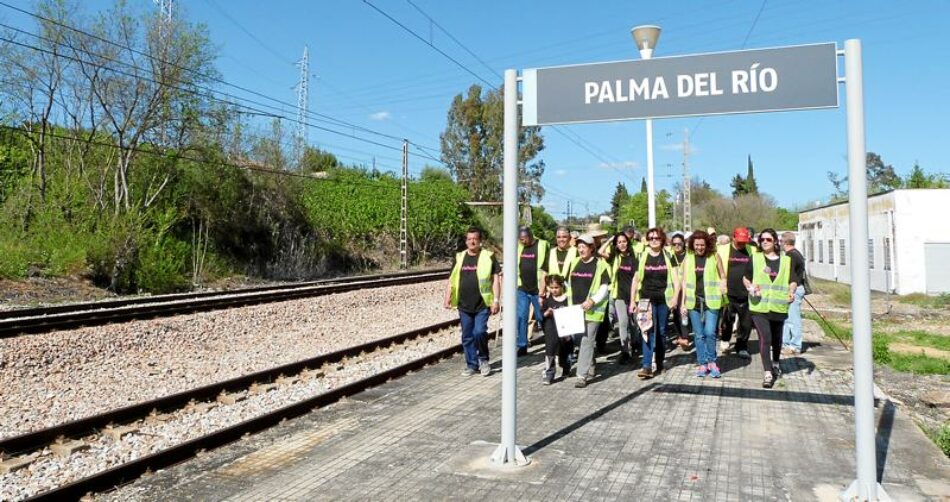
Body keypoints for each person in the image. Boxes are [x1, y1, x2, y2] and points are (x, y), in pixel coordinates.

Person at [746, 228, 800, 388]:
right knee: (766, 338)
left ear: (775, 241)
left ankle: (775, 363)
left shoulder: (786, 260)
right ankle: (767, 373)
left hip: (778, 306)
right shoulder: (754, 258)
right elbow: (746, 278)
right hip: (759, 305)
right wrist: (750, 287)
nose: (764, 242)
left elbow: (793, 280)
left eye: (768, 239)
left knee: (777, 340)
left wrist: (791, 291)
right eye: (762, 239)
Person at [444, 227, 501, 377]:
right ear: (466, 241)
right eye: (469, 239)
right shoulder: (459, 257)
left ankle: (483, 360)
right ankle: (471, 364)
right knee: (467, 335)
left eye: (475, 239)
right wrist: (447, 296)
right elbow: (452, 278)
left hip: (482, 303)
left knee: (479, 332)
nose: (472, 241)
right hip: (464, 303)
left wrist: (496, 300)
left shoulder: (488, 256)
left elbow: (496, 279)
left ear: (480, 241)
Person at [630, 227, 681, 379]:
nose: (654, 240)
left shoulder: (669, 255)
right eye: (651, 238)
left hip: (663, 299)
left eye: (657, 238)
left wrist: (675, 298)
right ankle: (646, 366)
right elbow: (636, 279)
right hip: (646, 299)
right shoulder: (642, 256)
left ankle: (659, 362)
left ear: (662, 239)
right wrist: (632, 300)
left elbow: (677, 280)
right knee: (647, 330)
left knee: (661, 332)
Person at [566, 234, 611, 388]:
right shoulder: (574, 262)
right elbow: (567, 283)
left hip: (593, 310)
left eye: (584, 246)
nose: (581, 249)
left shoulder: (601, 265)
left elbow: (605, 287)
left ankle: (582, 375)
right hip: (576, 309)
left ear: (592, 248)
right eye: (579, 247)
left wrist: (593, 300)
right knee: (580, 340)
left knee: (587, 340)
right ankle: (590, 366)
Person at [680, 230, 727, 378]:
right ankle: (702, 363)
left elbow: (722, 275)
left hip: (711, 301)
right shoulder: (688, 258)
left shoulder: (714, 256)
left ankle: (712, 361)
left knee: (710, 332)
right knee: (699, 335)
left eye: (702, 245)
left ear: (707, 244)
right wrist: (682, 303)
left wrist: (723, 286)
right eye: (697, 245)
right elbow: (684, 281)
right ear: (692, 245)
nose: (700, 247)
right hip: (693, 301)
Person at [719, 227, 757, 359]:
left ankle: (741, 346)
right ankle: (725, 340)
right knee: (727, 320)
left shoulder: (752, 250)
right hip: (728, 292)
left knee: (746, 323)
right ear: (733, 238)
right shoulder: (722, 250)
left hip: (746, 293)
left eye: (744, 241)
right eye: (739, 241)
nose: (741, 244)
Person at [517, 227, 550, 356]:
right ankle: (522, 345)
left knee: (541, 316)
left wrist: (545, 287)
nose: (522, 242)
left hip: (538, 288)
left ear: (530, 236)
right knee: (521, 316)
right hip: (522, 288)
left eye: (524, 239)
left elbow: (547, 266)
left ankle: (550, 341)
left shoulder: (542, 245)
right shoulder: (518, 247)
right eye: (520, 240)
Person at [607, 232, 638, 364]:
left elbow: (637, 278)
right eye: (618, 242)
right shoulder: (615, 257)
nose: (622, 244)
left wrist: (633, 300)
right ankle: (625, 350)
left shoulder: (634, 259)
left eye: (624, 241)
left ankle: (636, 344)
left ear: (628, 242)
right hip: (619, 295)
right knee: (623, 323)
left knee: (634, 324)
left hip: (634, 295)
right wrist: (610, 240)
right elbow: (600, 252)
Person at [540, 274, 573, 384]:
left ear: (562, 286)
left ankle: (566, 366)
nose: (554, 290)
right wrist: (547, 313)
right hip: (551, 327)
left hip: (565, 329)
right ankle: (549, 373)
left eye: (556, 288)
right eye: (551, 288)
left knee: (566, 348)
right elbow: (541, 315)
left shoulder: (568, 300)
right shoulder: (547, 301)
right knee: (550, 349)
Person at [781, 232, 808, 355]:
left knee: (792, 319)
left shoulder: (790, 256)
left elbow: (790, 276)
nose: (780, 244)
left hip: (794, 289)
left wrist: (790, 290)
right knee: (787, 318)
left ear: (785, 243)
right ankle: (786, 343)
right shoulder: (797, 254)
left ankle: (795, 345)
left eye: (781, 241)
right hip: (796, 288)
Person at [669, 232, 690, 349]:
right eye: (674, 244)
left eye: (679, 244)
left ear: (684, 244)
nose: (677, 246)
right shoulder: (670, 257)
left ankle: (685, 337)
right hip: (674, 288)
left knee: (684, 313)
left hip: (687, 288)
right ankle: (680, 336)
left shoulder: (689, 256)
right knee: (676, 314)